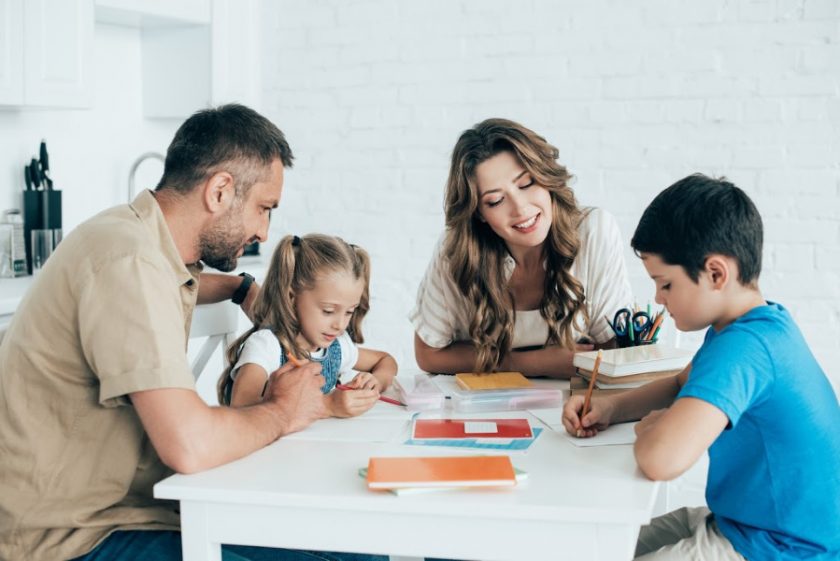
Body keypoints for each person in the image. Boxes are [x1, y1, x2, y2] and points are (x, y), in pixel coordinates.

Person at [0, 104, 386, 561]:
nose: (264, 231)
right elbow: (190, 445)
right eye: (264, 208)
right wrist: (284, 410)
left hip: (144, 506)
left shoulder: (135, 242)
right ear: (220, 191)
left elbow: (168, 283)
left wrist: (241, 287)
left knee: (361, 547)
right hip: (68, 537)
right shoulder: (129, 262)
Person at [562, 174, 840, 561]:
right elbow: (680, 383)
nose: (657, 299)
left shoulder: (745, 350)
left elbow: (661, 460)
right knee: (596, 545)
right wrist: (611, 408)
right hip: (741, 523)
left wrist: (652, 428)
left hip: (777, 550)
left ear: (715, 273)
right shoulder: (753, 327)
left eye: (666, 284)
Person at [410, 118, 633, 377]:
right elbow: (429, 355)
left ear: (546, 178)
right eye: (495, 200)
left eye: (527, 184)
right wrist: (535, 363)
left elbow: (614, 350)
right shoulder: (458, 247)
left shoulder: (593, 231)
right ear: (479, 213)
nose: (520, 208)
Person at [218, 233, 397, 414]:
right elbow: (241, 406)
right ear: (291, 297)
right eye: (328, 311)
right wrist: (327, 406)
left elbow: (386, 360)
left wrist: (376, 381)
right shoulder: (267, 346)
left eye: (349, 312)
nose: (340, 325)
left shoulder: (337, 347)